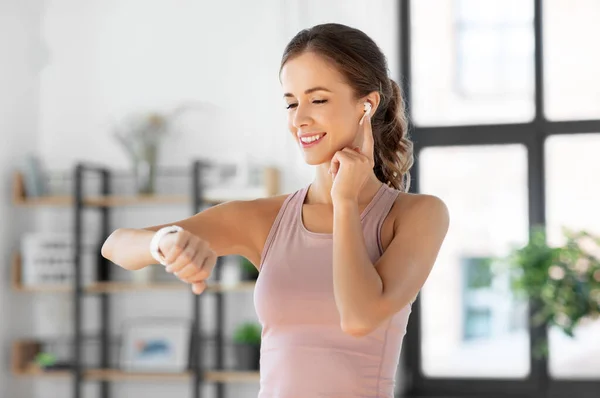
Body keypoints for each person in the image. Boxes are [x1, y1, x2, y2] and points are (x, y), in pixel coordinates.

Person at [102, 23, 449, 398]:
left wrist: (345, 201)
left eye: (317, 100)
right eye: (291, 102)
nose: (299, 118)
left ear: (366, 104)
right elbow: (116, 246)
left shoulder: (416, 216)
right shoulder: (265, 220)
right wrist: (166, 242)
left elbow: (359, 317)